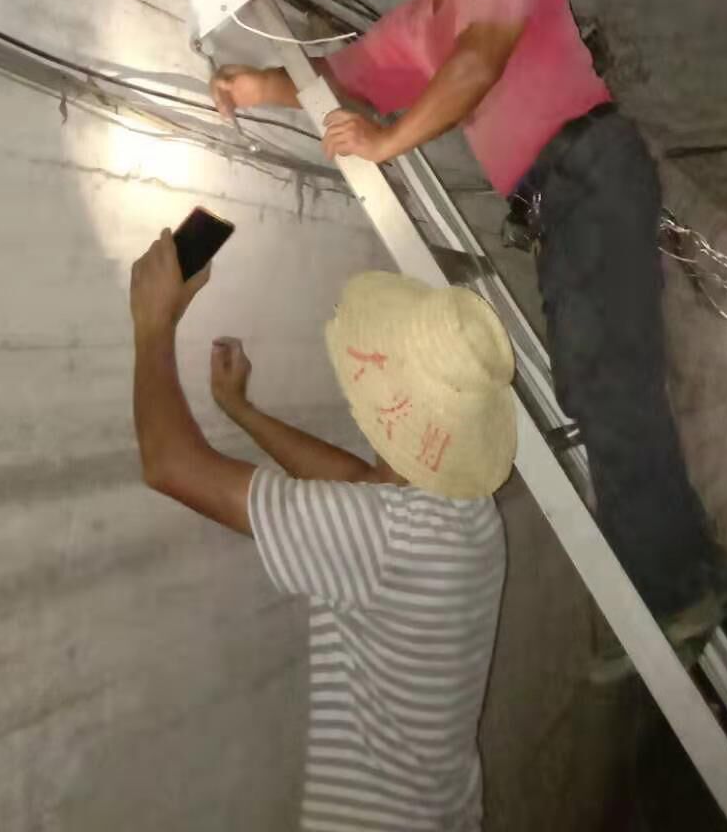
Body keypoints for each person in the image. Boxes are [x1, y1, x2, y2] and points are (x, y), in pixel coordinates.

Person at [211, 0, 727, 663]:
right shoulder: (416, 27)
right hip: (558, 201)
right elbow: (339, 82)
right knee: (597, 382)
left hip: (590, 167)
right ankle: (682, 572)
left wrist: (387, 142)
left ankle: (676, 585)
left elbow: (478, 63)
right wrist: (253, 87)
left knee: (606, 378)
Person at [129, 229, 516, 832]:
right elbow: (363, 482)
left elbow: (169, 464)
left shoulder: (383, 536)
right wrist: (244, 413)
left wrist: (153, 325)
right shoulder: (469, 514)